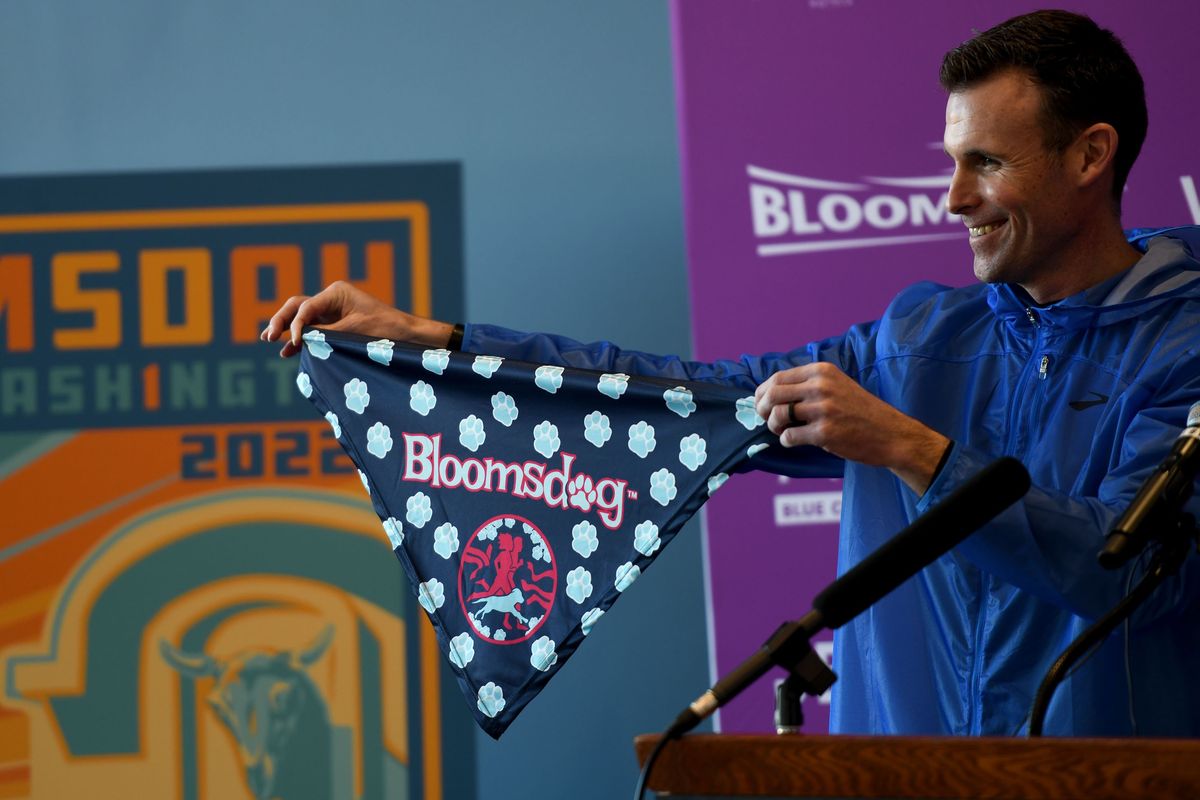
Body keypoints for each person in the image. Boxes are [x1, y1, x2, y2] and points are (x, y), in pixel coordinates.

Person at [264, 10, 1200, 736]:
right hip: (906, 779)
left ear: (1091, 154)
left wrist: (908, 449)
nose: (953, 198)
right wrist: (444, 343)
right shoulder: (920, 337)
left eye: (987, 162)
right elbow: (680, 397)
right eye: (952, 162)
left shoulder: (1184, 349)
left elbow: (1126, 568)